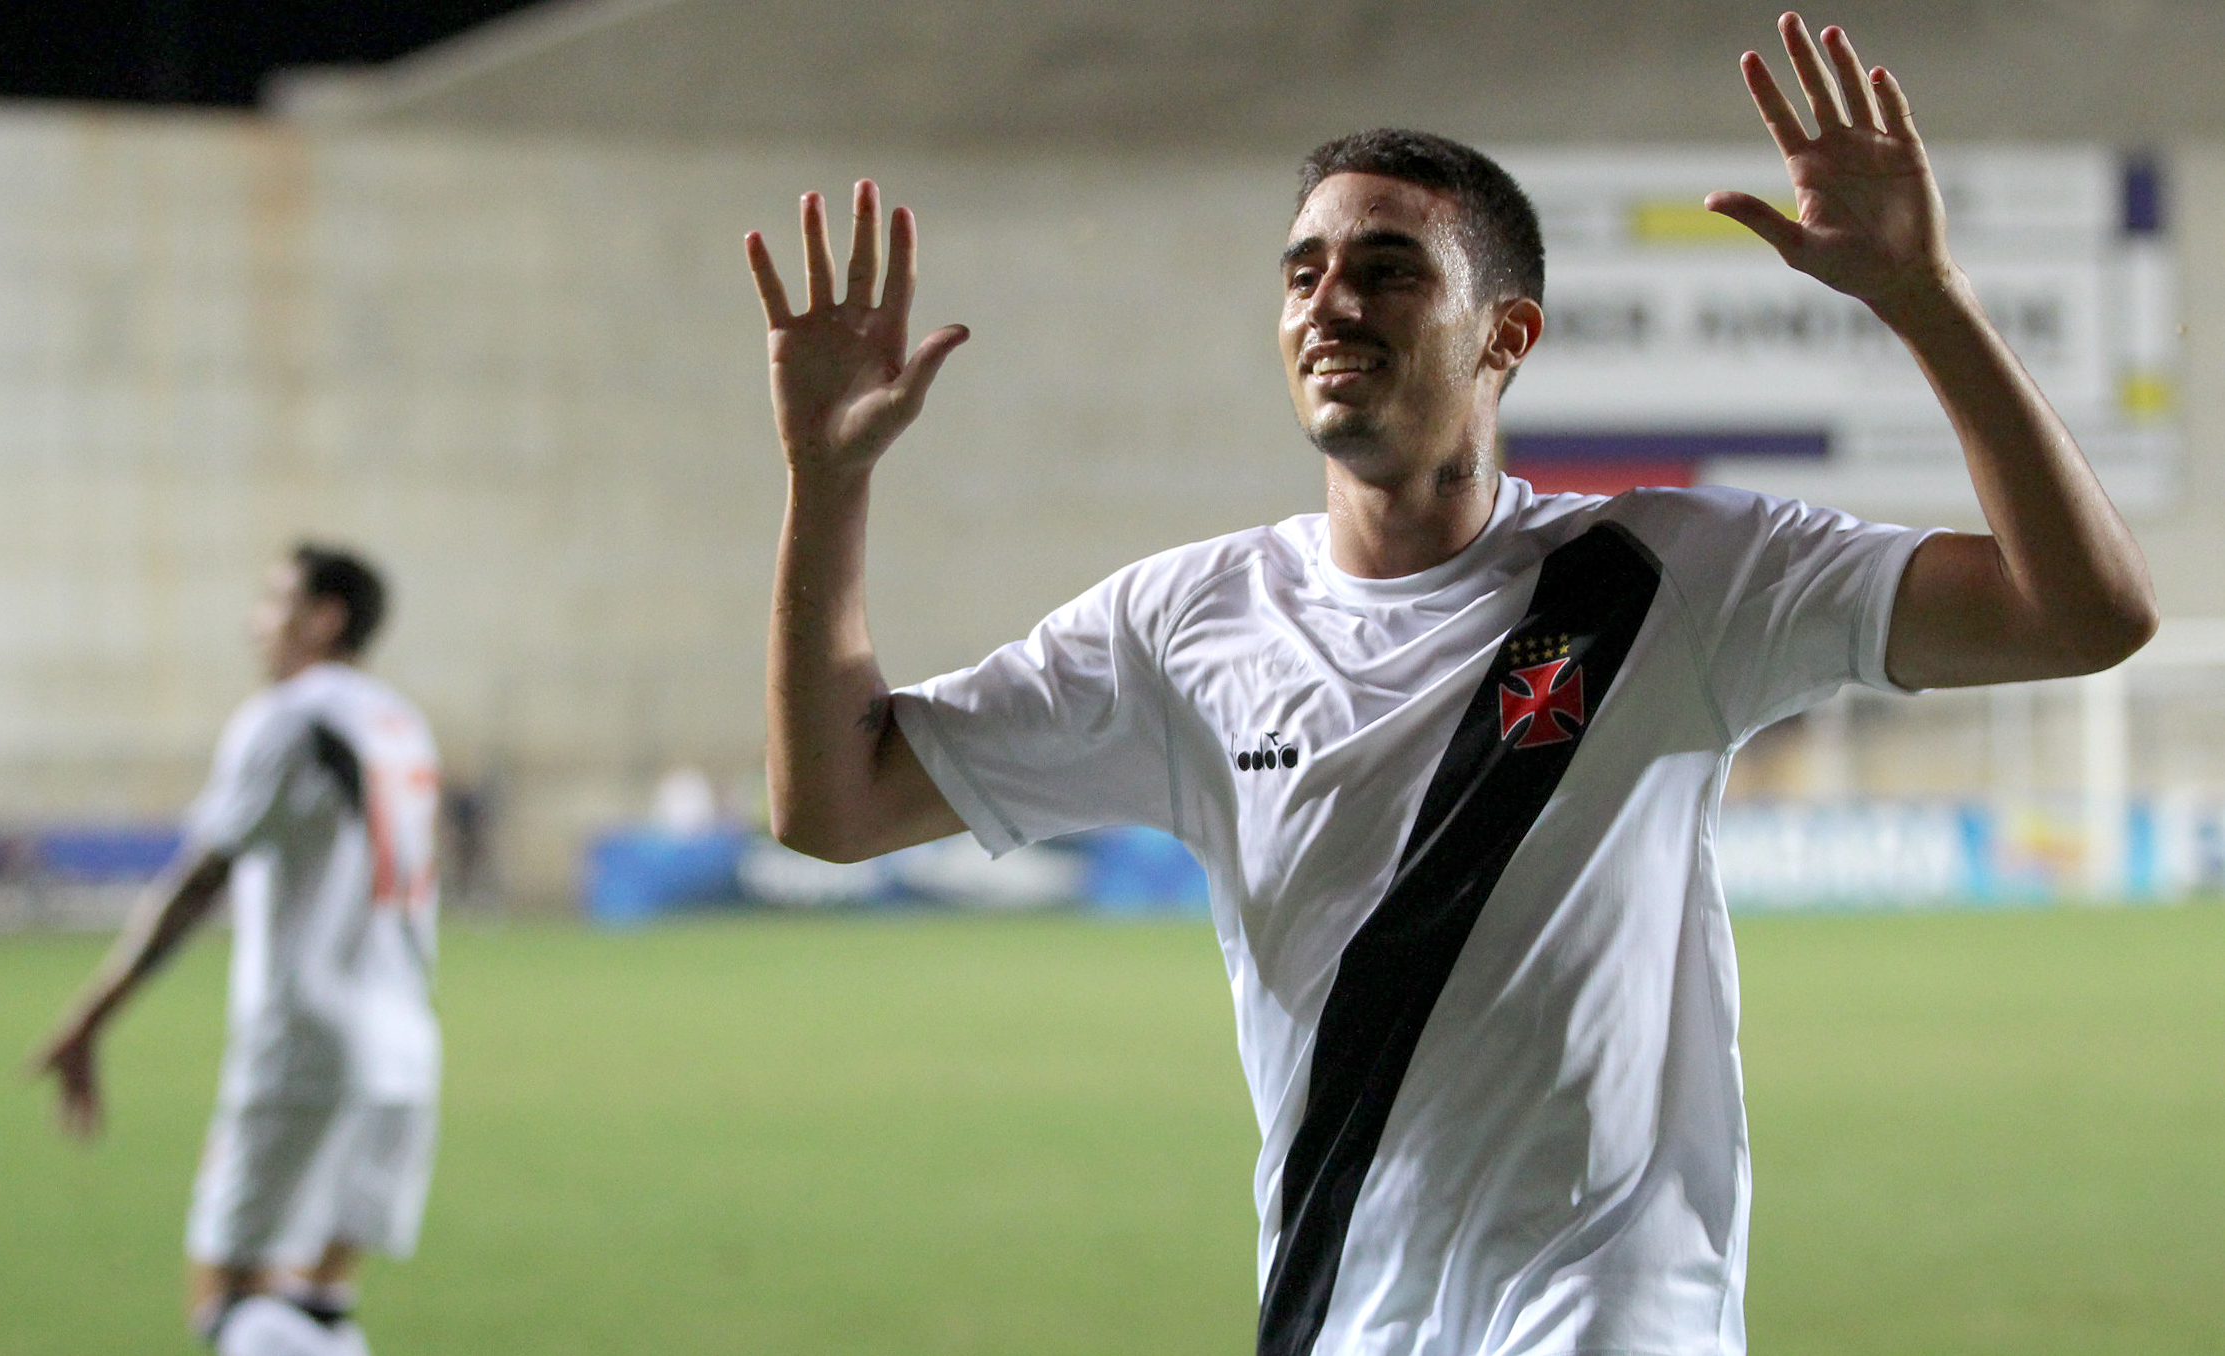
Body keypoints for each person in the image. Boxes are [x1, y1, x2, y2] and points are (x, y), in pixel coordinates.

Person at [747, 13, 2155, 1355]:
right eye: (1303, 272)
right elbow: (837, 805)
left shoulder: (1668, 576)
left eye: (1388, 270)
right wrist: (827, 481)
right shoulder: (1182, 626)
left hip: (1610, 1316)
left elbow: (2081, 613)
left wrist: (1924, 301)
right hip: (1340, 1318)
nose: (1330, 303)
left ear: (1505, 336)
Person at [31, 545, 442, 1356]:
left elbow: (201, 879)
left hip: (306, 1040)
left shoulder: (289, 717)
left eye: (273, 601)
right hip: (405, 1045)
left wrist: (90, 1017)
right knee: (318, 1303)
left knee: (224, 1302)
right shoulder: (400, 722)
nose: (255, 624)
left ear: (324, 618)